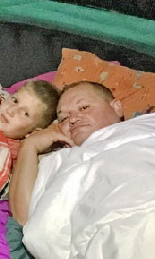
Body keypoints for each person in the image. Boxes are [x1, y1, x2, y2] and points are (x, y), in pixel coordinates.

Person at [9, 81, 123, 224]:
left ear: (116, 107)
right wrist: (29, 145)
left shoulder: (148, 128)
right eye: (64, 118)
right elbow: (25, 219)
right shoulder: (58, 159)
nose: (74, 119)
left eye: (84, 107)